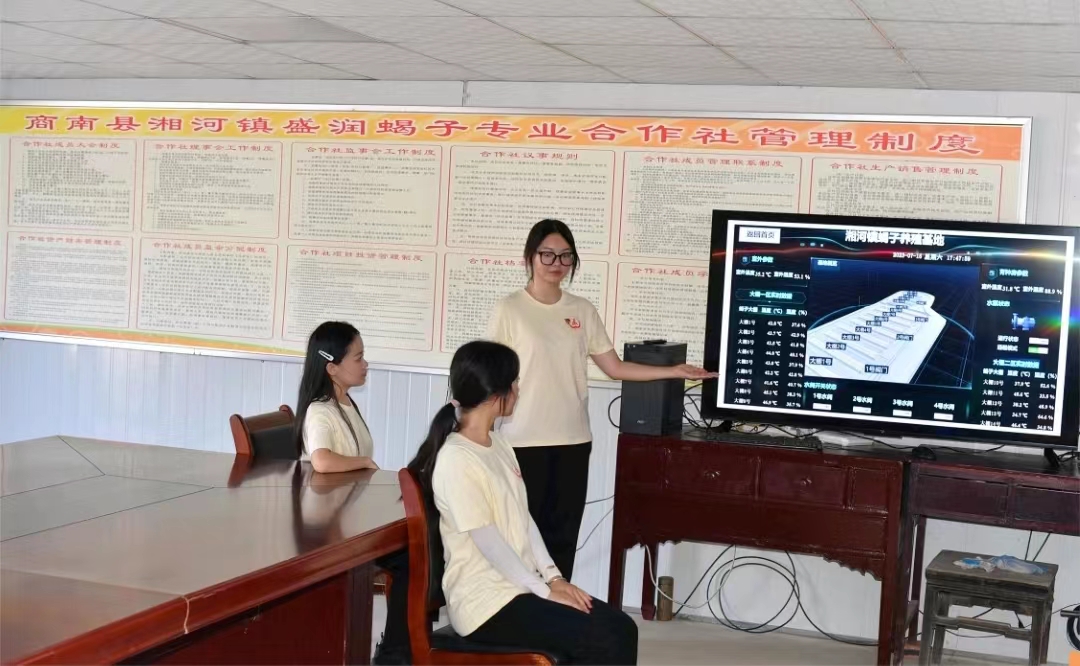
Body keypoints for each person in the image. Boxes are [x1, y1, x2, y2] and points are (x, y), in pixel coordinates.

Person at [487, 219, 713, 581]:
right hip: (521, 440)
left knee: (562, 538)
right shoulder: (509, 309)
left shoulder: (581, 309)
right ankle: (521, 606)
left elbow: (615, 367)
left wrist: (673, 371)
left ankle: (559, 607)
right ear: (530, 257)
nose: (557, 263)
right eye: (548, 254)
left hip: (573, 441)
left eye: (566, 256)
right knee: (522, 537)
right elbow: (492, 374)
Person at [408, 340, 637, 664]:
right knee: (604, 637)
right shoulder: (456, 459)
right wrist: (544, 591)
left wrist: (554, 578)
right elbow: (489, 543)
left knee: (622, 627)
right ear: (495, 393)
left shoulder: (499, 443)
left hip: (516, 588)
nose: (518, 389)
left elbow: (524, 519)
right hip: (484, 604)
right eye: (514, 382)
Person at [293, 321, 409, 665]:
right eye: (358, 358)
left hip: (349, 520)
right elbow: (322, 460)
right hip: (329, 532)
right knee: (411, 559)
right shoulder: (320, 410)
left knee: (415, 552)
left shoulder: (345, 403)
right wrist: (364, 462)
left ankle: (399, 645)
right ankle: (395, 651)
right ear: (332, 367)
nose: (365, 364)